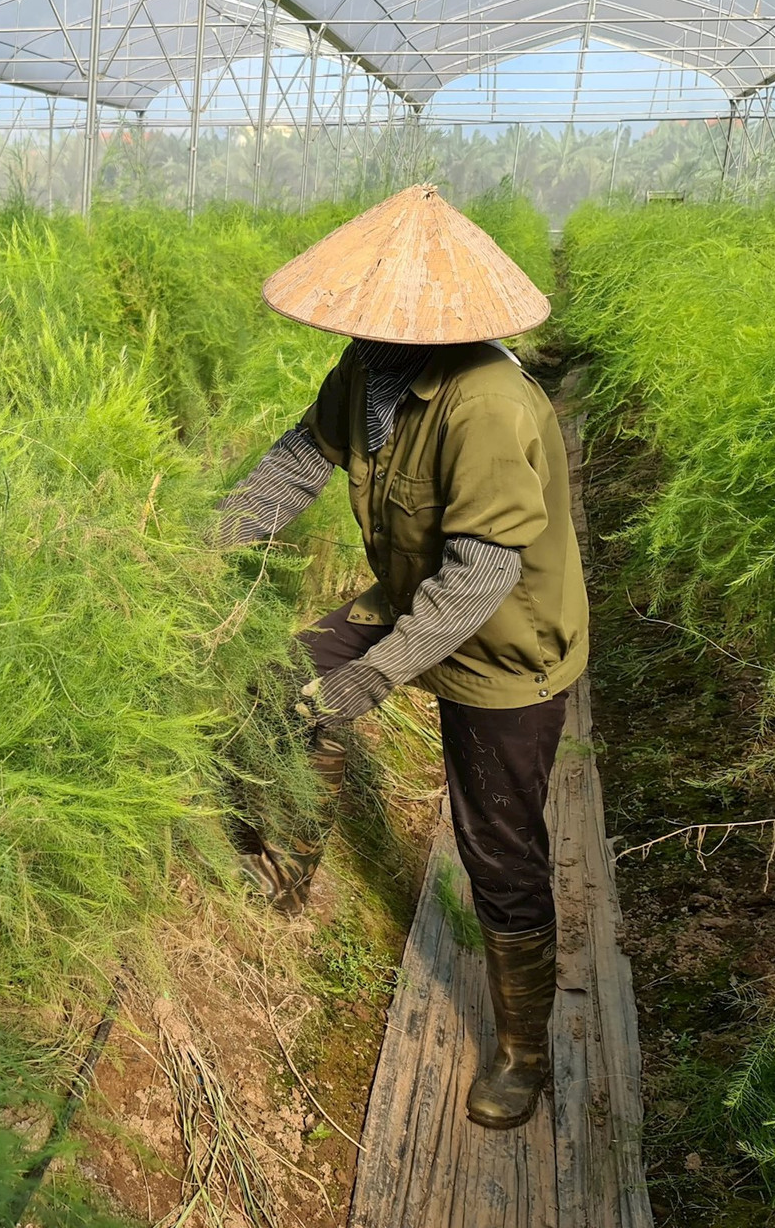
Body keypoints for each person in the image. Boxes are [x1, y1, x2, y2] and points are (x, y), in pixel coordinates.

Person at [216, 183, 587, 1132]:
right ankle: (288, 867)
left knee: (497, 850)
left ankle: (522, 1052)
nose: (368, 325)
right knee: (282, 683)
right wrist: (202, 540)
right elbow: (304, 456)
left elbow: (475, 580)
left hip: (506, 648)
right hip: (407, 595)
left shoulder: (489, 404)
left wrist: (372, 677)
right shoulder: (371, 367)